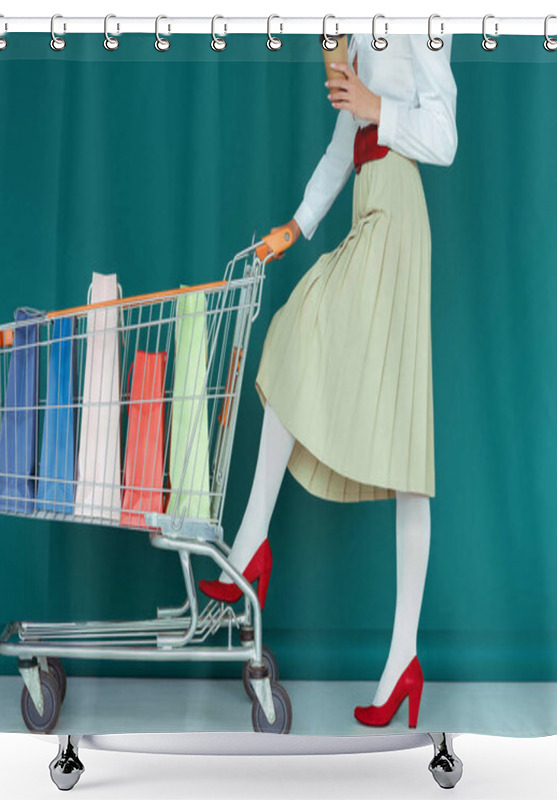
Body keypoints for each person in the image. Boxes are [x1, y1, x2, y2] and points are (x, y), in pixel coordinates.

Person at [200, 33, 458, 728]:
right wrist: (297, 223)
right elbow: (344, 144)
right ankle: (397, 658)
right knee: (303, 346)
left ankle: (255, 546)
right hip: (367, 202)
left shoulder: (415, 24)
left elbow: (445, 137)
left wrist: (378, 103)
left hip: (398, 215)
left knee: (315, 340)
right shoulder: (349, 29)